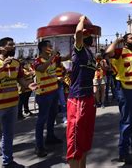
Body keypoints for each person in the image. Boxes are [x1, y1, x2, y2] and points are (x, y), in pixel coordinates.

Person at [0, 37, 37, 168]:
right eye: (10, 45)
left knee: (9, 135)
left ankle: (8, 161)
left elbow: (20, 80)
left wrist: (29, 86)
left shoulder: (16, 63)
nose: (13, 47)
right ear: (1, 48)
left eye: (13, 45)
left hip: (12, 105)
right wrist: (2, 67)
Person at [106, 33, 132, 164]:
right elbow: (108, 52)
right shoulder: (120, 51)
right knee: (127, 121)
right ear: (125, 42)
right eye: (131, 38)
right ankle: (123, 152)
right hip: (126, 90)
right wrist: (116, 41)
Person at [66, 16, 97, 168]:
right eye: (86, 34)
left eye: (88, 34)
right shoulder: (78, 50)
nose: (88, 36)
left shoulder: (90, 54)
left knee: (85, 140)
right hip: (77, 98)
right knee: (75, 140)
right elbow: (78, 32)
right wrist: (81, 19)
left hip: (88, 97)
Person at [33, 40, 63, 157]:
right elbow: (41, 69)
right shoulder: (37, 61)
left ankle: (50, 137)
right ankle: (39, 146)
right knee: (41, 120)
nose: (51, 47)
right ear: (43, 48)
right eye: (49, 46)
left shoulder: (53, 59)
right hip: (44, 94)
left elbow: (65, 58)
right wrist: (53, 56)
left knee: (52, 116)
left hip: (54, 91)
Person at [54, 53, 68, 123]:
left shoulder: (61, 65)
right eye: (57, 55)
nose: (58, 56)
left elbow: (65, 71)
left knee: (62, 101)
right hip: (53, 85)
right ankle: (54, 118)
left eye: (59, 55)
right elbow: (49, 75)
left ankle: (64, 117)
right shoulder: (51, 65)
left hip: (60, 85)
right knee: (54, 103)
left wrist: (63, 77)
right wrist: (57, 78)